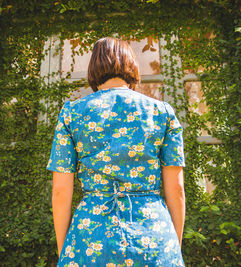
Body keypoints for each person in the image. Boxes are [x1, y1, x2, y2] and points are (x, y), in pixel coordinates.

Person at [47, 37, 186, 266]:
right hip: (153, 233)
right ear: (131, 65)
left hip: (90, 236)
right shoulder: (162, 113)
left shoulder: (72, 113)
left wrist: (66, 250)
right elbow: (177, 189)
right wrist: (171, 245)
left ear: (93, 68)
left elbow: (61, 191)